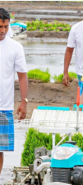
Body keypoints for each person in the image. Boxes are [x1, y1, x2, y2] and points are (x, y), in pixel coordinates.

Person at [0, 8, 28, 175]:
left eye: (5, 26)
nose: (2, 30)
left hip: (4, 106)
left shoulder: (15, 47)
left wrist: (24, 101)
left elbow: (22, 76)